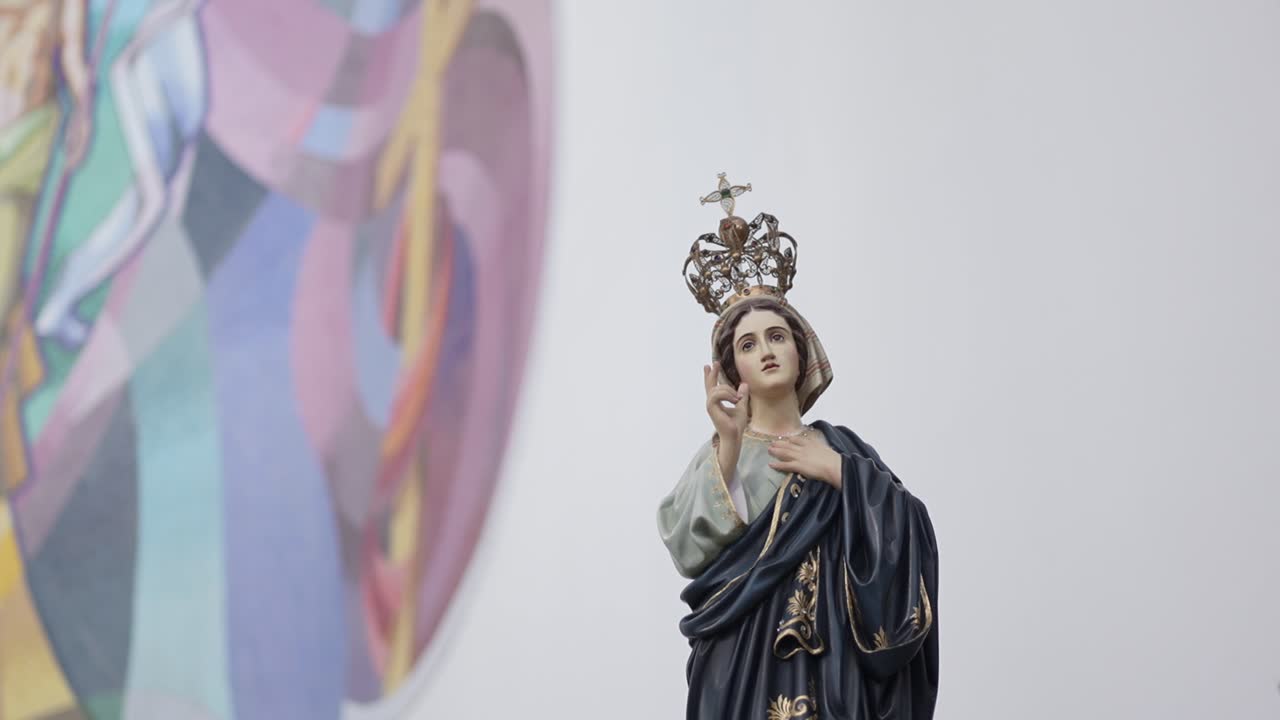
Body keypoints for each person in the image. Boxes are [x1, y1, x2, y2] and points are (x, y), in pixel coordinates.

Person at [658, 175, 940, 719]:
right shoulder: (722, 455)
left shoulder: (843, 449)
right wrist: (731, 444)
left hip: (835, 662)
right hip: (745, 664)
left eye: (777, 335)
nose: (765, 350)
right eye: (747, 343)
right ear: (730, 366)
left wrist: (842, 474)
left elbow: (910, 532)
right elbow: (690, 551)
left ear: (800, 346)